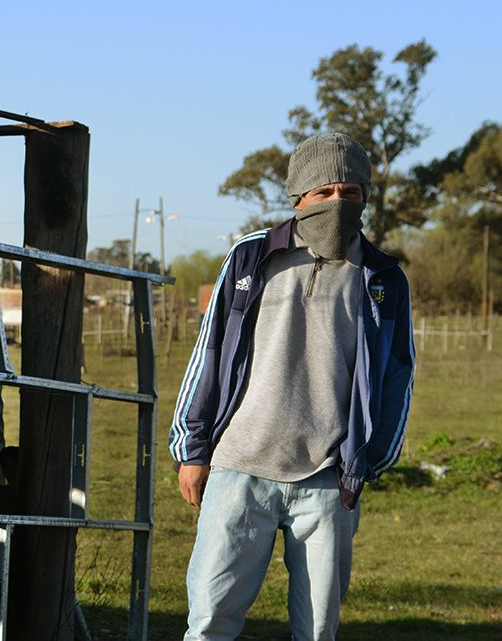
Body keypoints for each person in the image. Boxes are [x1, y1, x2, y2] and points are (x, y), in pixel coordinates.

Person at [169, 132, 414, 640]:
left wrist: (369, 459)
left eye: (351, 192)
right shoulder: (252, 257)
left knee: (318, 629)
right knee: (211, 620)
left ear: (366, 196)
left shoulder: (384, 277)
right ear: (298, 196)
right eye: (324, 192)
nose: (338, 203)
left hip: (328, 481)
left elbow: (397, 372)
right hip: (239, 468)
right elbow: (208, 353)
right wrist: (192, 450)